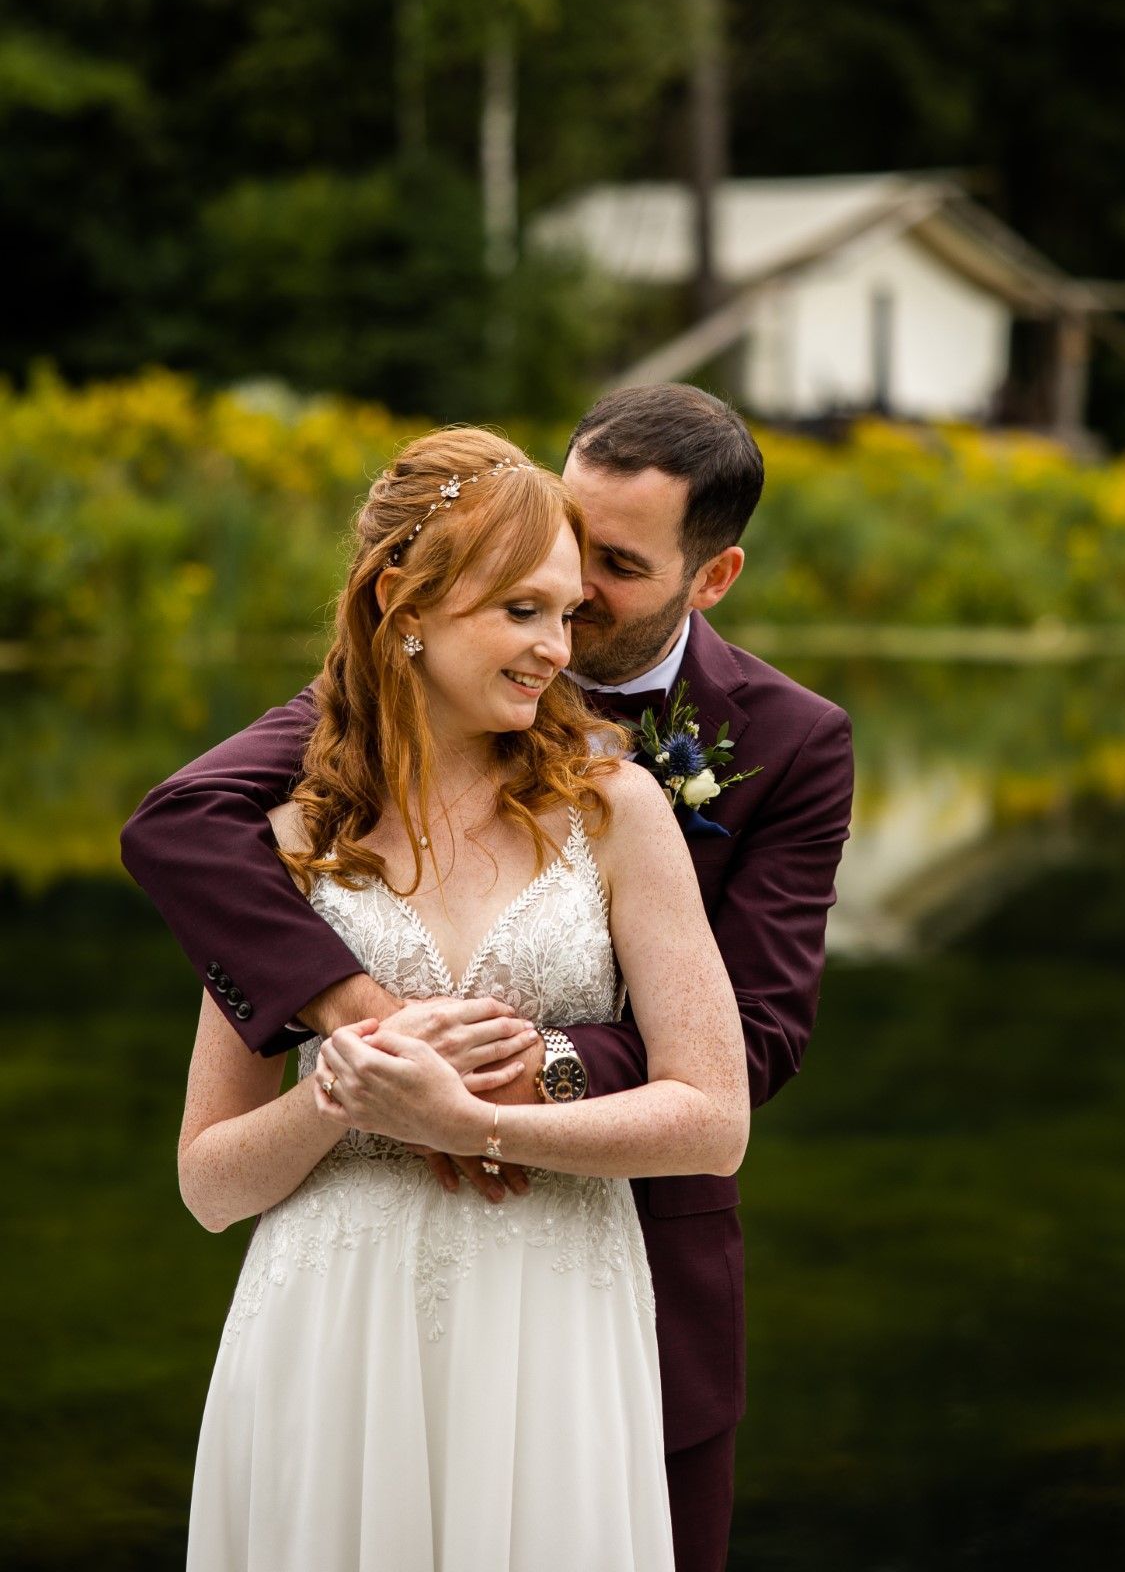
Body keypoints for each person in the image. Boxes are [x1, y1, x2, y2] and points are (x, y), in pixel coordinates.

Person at [122, 384, 855, 1572]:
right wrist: (365, 1046)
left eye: (603, 573)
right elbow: (181, 828)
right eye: (530, 581)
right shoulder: (310, 802)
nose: (564, 621)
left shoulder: (761, 751)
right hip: (334, 1312)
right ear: (412, 606)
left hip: (597, 1266)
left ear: (706, 579)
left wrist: (501, 1084)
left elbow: (747, 1052)